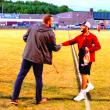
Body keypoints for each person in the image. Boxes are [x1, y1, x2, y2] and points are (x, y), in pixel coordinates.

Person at [11, 14, 61, 105]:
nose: (52, 22)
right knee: (38, 78)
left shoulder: (33, 26)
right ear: (48, 21)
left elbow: (24, 37)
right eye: (52, 21)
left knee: (20, 76)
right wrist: (60, 46)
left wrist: (32, 44)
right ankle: (39, 99)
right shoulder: (50, 32)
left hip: (27, 55)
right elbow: (54, 47)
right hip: (38, 58)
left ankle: (14, 98)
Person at [60, 21, 101, 101]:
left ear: (87, 27)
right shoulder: (79, 36)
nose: (81, 27)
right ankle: (89, 85)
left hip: (87, 59)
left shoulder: (93, 36)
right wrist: (61, 44)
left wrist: (89, 49)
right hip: (81, 57)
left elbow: (98, 46)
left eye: (82, 26)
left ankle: (82, 93)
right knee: (83, 73)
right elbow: (71, 41)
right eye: (81, 25)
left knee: (84, 74)